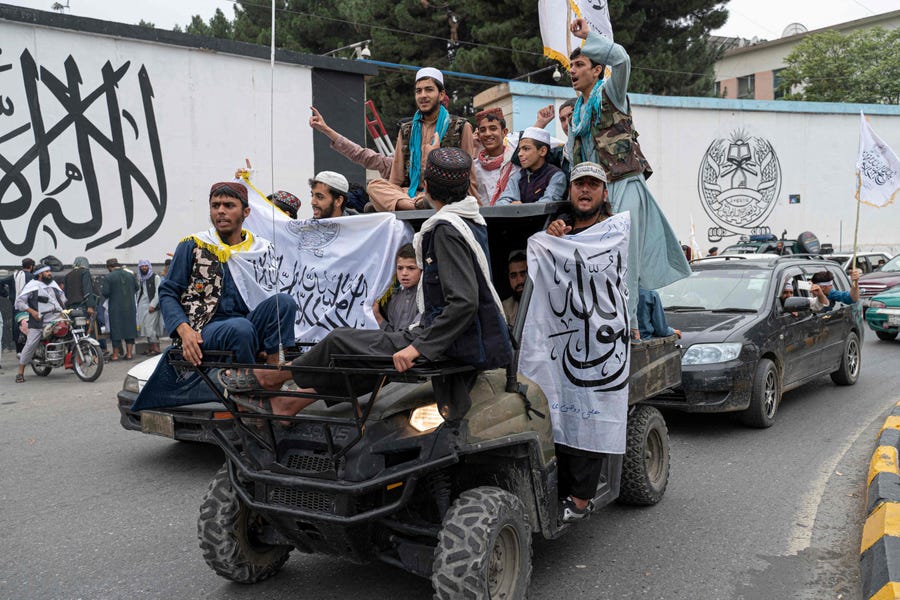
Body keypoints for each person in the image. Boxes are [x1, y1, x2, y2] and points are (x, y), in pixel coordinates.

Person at [221, 147, 512, 417]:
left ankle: (274, 377)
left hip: (450, 343)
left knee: (339, 341)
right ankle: (288, 404)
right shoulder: (469, 220)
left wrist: (419, 348)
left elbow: (464, 301)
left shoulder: (447, 230)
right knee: (359, 358)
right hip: (452, 338)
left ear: (429, 187)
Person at [566, 18, 690, 332]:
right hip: (594, 193)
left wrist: (588, 36)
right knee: (598, 259)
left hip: (622, 184)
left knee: (626, 256)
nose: (571, 70)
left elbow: (621, 59)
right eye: (570, 66)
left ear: (596, 70)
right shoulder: (577, 114)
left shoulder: (611, 92)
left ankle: (630, 323)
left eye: (579, 64)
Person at [541, 161, 622, 521]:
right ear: (570, 191)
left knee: (592, 415)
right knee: (560, 413)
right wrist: (552, 238)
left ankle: (582, 499)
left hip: (603, 339)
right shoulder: (558, 231)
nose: (585, 191)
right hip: (564, 338)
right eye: (579, 185)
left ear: (604, 193)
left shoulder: (614, 232)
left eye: (593, 185)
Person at [366, 67, 478, 211]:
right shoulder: (407, 129)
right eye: (419, 91)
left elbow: (470, 177)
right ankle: (416, 206)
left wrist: (477, 208)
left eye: (429, 90)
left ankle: (418, 204)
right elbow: (396, 179)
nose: (423, 95)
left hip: (444, 196)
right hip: (411, 194)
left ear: (441, 94)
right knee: (374, 186)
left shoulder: (461, 127)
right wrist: (395, 194)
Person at [309, 106, 393, 179]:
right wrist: (326, 129)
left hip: (400, 195)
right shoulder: (395, 164)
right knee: (374, 186)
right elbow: (360, 155)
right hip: (395, 193)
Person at [14, 265, 66, 383]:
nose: (49, 273)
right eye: (46, 271)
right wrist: (32, 312)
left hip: (57, 319)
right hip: (39, 322)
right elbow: (20, 302)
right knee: (31, 344)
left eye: (49, 271)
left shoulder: (52, 284)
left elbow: (61, 299)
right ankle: (20, 372)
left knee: (70, 335)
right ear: (39, 274)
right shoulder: (32, 286)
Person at [495, 127, 567, 205]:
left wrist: (520, 208)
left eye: (526, 149)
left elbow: (546, 204)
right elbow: (502, 202)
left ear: (543, 151)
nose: (519, 154)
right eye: (519, 150)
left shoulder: (556, 176)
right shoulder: (518, 176)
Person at [473, 108, 518, 206]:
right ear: (478, 135)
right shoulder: (473, 168)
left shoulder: (516, 163)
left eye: (493, 128)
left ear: (504, 132)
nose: (488, 134)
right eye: (483, 130)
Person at [373, 243, 422, 333]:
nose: (404, 273)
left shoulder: (425, 298)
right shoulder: (394, 298)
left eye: (411, 268)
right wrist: (377, 316)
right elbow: (392, 335)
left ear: (421, 270)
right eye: (400, 268)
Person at [102, 258, 138, 361]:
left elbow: (105, 292)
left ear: (109, 267)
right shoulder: (130, 275)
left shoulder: (109, 277)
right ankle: (130, 354)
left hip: (115, 308)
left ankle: (115, 355)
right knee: (130, 329)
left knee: (116, 330)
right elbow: (137, 288)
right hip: (130, 307)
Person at [135, 259, 165, 355]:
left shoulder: (155, 277)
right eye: (142, 266)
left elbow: (158, 292)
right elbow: (140, 292)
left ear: (149, 266)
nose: (144, 268)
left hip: (152, 306)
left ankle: (156, 348)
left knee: (150, 327)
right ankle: (151, 347)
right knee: (145, 327)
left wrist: (153, 305)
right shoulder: (141, 278)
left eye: (146, 266)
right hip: (142, 306)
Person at [13, 258, 35, 354]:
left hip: (17, 307)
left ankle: (19, 351)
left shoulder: (15, 276)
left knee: (18, 328)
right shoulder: (32, 277)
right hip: (30, 308)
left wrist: (8, 295)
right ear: (31, 267)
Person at [503, 250, 527, 326]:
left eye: (523, 274)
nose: (519, 281)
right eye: (513, 276)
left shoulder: (545, 301)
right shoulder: (505, 308)